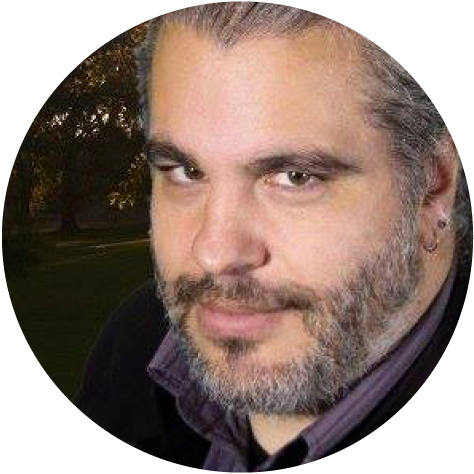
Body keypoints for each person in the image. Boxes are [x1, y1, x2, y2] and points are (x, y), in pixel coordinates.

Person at [74, 4, 472, 471]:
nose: (215, 254)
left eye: (295, 177)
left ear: (433, 187)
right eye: (185, 171)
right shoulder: (133, 340)